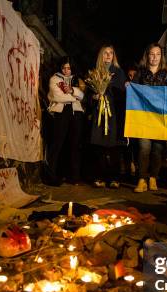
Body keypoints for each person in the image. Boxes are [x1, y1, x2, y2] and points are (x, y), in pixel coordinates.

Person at [131, 43, 167, 193]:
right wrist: (129, 85)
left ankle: (153, 177)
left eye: (158, 54)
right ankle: (142, 179)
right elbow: (133, 89)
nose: (154, 57)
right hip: (144, 116)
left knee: (157, 149)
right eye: (152, 54)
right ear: (147, 56)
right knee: (144, 147)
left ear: (161, 57)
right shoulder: (140, 72)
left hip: (160, 117)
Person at [87, 45, 127, 189]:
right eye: (105, 53)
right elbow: (87, 96)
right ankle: (99, 176)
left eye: (111, 53)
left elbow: (123, 95)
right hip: (99, 113)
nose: (108, 55)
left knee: (114, 146)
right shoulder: (96, 72)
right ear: (101, 56)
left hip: (114, 114)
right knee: (99, 146)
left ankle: (114, 177)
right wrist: (95, 96)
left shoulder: (119, 72)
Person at [45, 57, 84, 186]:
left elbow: (83, 96)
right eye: (64, 68)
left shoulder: (76, 79)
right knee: (58, 143)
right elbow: (57, 96)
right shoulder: (54, 79)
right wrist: (74, 97)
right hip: (61, 113)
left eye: (68, 68)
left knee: (74, 144)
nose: (66, 70)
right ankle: (52, 176)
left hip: (76, 113)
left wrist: (73, 91)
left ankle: (73, 176)